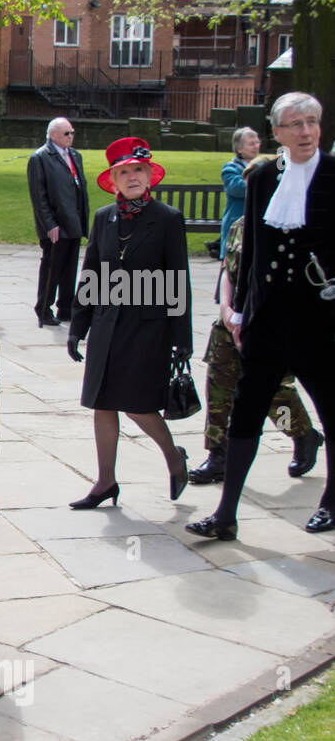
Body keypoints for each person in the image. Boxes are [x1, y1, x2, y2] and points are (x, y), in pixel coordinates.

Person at [188, 92, 335, 540]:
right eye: (296, 124)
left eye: (312, 122)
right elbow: (251, 250)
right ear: (278, 132)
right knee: (245, 414)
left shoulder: (333, 174)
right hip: (268, 320)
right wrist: (243, 316)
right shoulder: (263, 177)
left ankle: (331, 502)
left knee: (331, 412)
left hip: (321, 321)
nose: (306, 131)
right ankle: (226, 513)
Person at [67, 137, 192, 511]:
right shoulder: (104, 218)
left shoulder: (167, 219)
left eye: (139, 170)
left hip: (148, 327)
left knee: (137, 404)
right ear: (114, 180)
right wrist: (78, 326)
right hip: (108, 325)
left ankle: (173, 455)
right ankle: (105, 482)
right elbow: (91, 273)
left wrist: (180, 337)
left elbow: (178, 279)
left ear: (149, 175)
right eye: (124, 172)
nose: (133, 177)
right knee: (102, 403)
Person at [191, 162, 322, 485]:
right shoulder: (239, 225)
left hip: (265, 324)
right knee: (218, 387)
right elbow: (228, 270)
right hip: (231, 320)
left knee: (275, 394)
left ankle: (304, 434)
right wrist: (226, 307)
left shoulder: (288, 227)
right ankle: (217, 454)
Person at [27, 117, 89, 327]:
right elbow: (39, 196)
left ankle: (66, 307)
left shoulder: (75, 155)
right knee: (52, 267)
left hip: (74, 220)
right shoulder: (40, 158)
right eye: (66, 133)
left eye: (72, 133)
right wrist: (49, 224)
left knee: (70, 268)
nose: (71, 137)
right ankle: (44, 308)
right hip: (55, 223)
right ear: (52, 134)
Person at [218, 126, 260, 253]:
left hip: (257, 223)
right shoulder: (230, 168)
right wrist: (259, 179)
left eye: (257, 142)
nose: (256, 146)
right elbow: (236, 188)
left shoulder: (263, 165)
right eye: (251, 144)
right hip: (237, 226)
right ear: (239, 149)